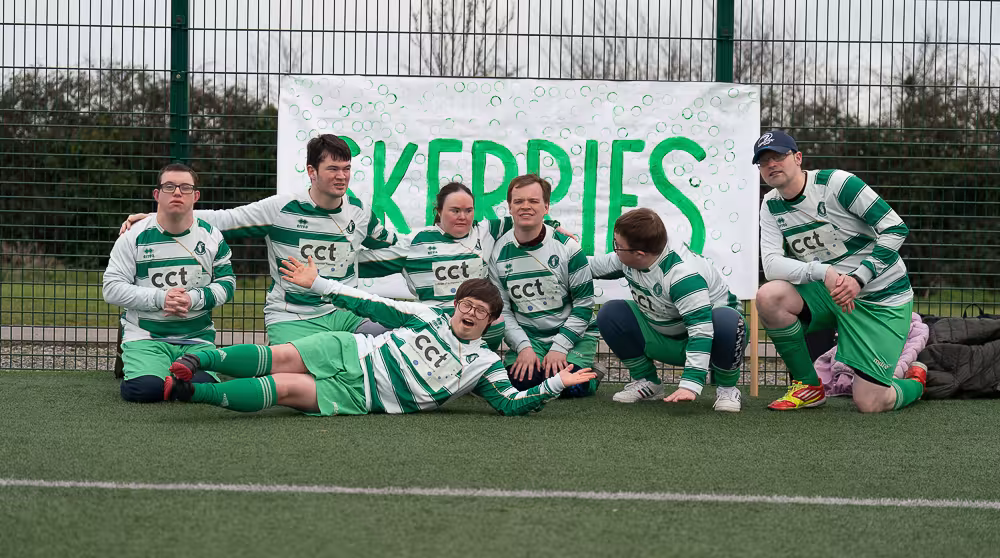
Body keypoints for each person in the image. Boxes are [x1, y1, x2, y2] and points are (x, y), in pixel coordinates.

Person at [162, 259, 597, 417]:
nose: (469, 313)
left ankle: (191, 394)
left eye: (480, 311)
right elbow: (367, 303)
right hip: (351, 350)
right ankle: (203, 360)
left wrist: (557, 384)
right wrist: (319, 285)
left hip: (366, 396)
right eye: (465, 304)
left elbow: (509, 403)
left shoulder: (485, 364)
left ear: (490, 322)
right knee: (279, 357)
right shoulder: (428, 315)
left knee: (283, 389)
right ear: (456, 304)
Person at [120, 134, 398, 344]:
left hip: (346, 313)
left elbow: (395, 248)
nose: (342, 176)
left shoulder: (360, 213)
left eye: (346, 169)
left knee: (396, 339)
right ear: (312, 171)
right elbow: (227, 219)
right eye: (333, 169)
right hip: (292, 315)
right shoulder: (281, 209)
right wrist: (159, 217)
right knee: (298, 376)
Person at [753, 130, 925, 412]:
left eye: (778, 156)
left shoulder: (838, 183)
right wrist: (823, 272)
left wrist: (860, 278)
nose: (771, 164)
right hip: (830, 292)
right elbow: (771, 264)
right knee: (769, 296)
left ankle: (916, 382)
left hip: (880, 299)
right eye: (763, 161)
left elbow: (895, 228)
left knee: (871, 403)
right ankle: (808, 386)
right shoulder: (770, 204)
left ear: (798, 158)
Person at [357, 182, 569, 351]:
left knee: (496, 321)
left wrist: (554, 226)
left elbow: (524, 222)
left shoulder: (486, 231)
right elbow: (360, 264)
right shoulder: (416, 243)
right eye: (455, 210)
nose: (463, 217)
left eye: (468, 210)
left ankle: (476, 370)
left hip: (476, 326)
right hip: (431, 327)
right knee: (372, 334)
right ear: (439, 211)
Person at [103, 163, 236, 402]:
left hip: (196, 338)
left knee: (199, 388)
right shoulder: (133, 236)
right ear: (157, 194)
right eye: (169, 186)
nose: (177, 192)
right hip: (146, 335)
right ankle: (140, 363)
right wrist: (160, 298)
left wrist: (192, 298)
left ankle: (167, 374)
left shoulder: (213, 237)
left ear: (195, 196)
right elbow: (111, 289)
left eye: (185, 187)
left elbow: (228, 284)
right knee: (145, 391)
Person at [590, 209, 747, 412]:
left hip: (710, 341)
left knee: (727, 321)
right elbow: (586, 267)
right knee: (611, 313)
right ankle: (648, 382)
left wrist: (690, 385)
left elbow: (701, 331)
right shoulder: (634, 255)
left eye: (618, 246)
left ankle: (727, 388)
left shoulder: (683, 276)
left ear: (639, 254)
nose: (615, 250)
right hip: (664, 336)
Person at [488, 174, 600, 398]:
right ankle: (535, 361)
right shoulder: (498, 251)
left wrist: (560, 347)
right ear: (509, 207)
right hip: (531, 338)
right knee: (521, 385)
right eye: (518, 201)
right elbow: (504, 310)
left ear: (546, 207)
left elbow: (584, 306)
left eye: (534, 201)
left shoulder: (568, 247)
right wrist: (524, 347)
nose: (525, 207)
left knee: (571, 387)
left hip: (572, 336)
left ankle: (592, 372)